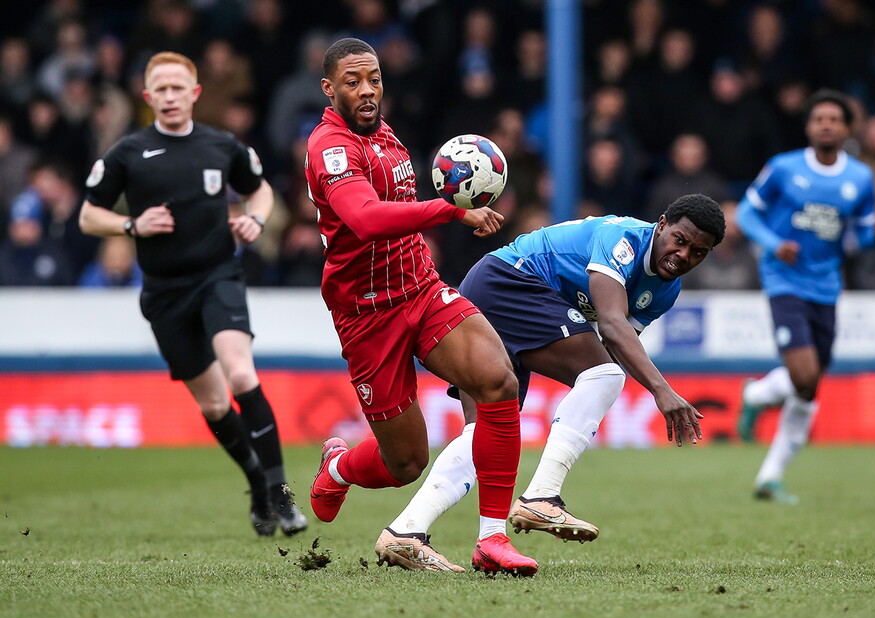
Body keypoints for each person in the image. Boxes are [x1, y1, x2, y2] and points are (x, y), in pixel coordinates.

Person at [375, 194, 725, 571]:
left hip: (503, 292)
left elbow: (617, 342)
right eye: (680, 239)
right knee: (603, 374)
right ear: (661, 224)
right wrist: (662, 390)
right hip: (508, 282)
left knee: (486, 433)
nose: (684, 254)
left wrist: (649, 382)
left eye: (698, 251)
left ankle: (407, 531)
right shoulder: (623, 239)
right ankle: (542, 496)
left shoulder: (666, 290)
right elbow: (610, 323)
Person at [304, 38, 537, 576]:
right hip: (366, 315)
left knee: (499, 381)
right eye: (353, 81)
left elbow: (397, 215)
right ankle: (338, 469)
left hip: (420, 290)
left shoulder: (385, 135)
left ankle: (493, 539)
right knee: (406, 462)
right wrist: (452, 213)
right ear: (329, 88)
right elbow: (364, 218)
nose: (367, 91)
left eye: (375, 79)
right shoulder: (329, 148)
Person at [78, 51, 308, 537]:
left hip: (218, 277)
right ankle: (256, 483)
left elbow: (261, 191)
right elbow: (87, 215)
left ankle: (282, 495)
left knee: (242, 374)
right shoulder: (127, 153)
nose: (169, 96)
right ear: (147, 97)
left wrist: (256, 218)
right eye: (159, 88)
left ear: (195, 93)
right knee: (214, 407)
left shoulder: (222, 146)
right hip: (164, 294)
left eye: (177, 87)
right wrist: (131, 224)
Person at [735, 89, 875, 504]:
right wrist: (773, 243)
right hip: (784, 279)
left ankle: (769, 474)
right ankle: (758, 397)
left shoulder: (860, 179)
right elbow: (747, 212)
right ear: (809, 127)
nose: (827, 125)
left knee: (810, 387)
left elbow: (862, 238)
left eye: (835, 119)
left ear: (847, 128)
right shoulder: (784, 168)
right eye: (820, 119)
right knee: (804, 377)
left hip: (827, 285)